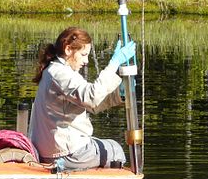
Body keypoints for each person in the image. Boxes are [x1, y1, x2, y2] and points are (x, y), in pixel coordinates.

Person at [29, 27, 136, 170]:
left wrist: (119, 95)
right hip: (64, 154)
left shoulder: (55, 70)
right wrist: (114, 63)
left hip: (52, 151)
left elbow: (92, 105)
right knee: (116, 150)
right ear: (68, 50)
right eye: (83, 54)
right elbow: (91, 97)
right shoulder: (60, 73)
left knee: (103, 145)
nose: (86, 61)